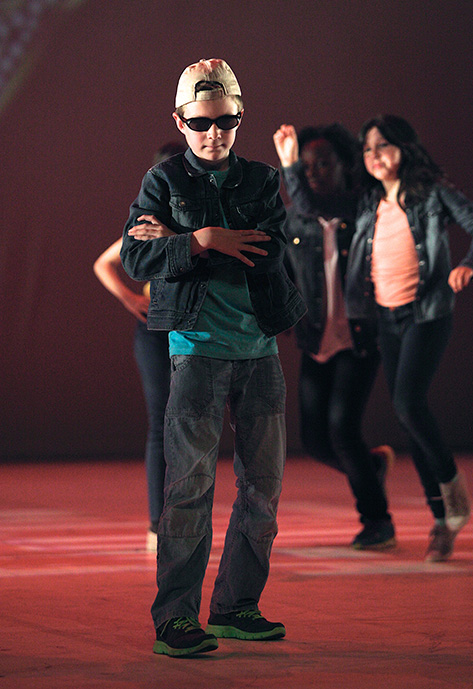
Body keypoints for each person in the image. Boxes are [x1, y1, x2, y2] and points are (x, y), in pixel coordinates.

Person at [120, 58, 306, 657]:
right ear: (180, 121)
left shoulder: (261, 180)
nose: (213, 133)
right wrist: (203, 239)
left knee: (263, 489)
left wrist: (183, 243)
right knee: (189, 488)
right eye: (200, 122)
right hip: (195, 350)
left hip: (259, 350)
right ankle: (176, 619)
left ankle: (235, 606)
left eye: (225, 120)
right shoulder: (162, 180)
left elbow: (270, 253)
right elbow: (136, 259)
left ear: (240, 117)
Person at [345, 114, 473, 562]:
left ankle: (454, 496)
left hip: (426, 313)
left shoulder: (432, 194)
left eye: (383, 145)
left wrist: (470, 264)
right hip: (386, 318)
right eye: (368, 149)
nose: (374, 155)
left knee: (409, 405)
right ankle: (442, 517)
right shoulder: (369, 202)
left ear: (405, 148)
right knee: (407, 415)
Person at [273, 123, 396, 549]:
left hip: (359, 339)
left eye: (323, 163)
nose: (313, 173)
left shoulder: (362, 208)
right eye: (305, 167)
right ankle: (371, 468)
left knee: (343, 429)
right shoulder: (295, 219)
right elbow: (284, 272)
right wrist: (281, 313)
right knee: (314, 440)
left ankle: (378, 521)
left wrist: (288, 164)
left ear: (344, 165)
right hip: (317, 340)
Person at [93, 142, 185, 552]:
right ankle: (157, 524)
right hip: (153, 329)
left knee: (193, 423)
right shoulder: (147, 220)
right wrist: (131, 299)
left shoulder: (202, 216)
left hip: (195, 326)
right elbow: (103, 263)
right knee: (160, 421)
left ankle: (188, 519)